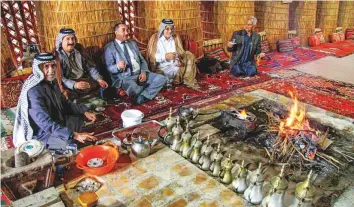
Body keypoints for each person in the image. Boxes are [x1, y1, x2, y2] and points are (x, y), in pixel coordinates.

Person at [13, 53, 98, 150]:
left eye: (53, 66)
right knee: (68, 143)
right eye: (46, 66)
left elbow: (64, 103)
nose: (51, 70)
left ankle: (68, 133)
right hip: (43, 132)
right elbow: (44, 122)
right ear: (39, 68)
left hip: (57, 121)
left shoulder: (52, 82)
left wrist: (84, 111)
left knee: (80, 117)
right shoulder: (34, 91)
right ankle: (66, 137)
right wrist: (75, 135)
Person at [104, 23, 167, 104]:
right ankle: (146, 93)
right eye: (123, 30)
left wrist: (143, 72)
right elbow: (109, 68)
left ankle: (143, 96)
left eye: (127, 30)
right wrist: (117, 66)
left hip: (140, 74)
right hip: (125, 78)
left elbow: (142, 60)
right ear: (116, 32)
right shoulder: (109, 47)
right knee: (134, 89)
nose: (127, 33)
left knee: (162, 78)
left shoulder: (132, 43)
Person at [55, 28, 108, 100]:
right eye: (67, 39)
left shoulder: (79, 50)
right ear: (61, 41)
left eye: (73, 38)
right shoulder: (57, 56)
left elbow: (90, 67)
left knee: (98, 85)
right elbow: (60, 78)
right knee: (68, 95)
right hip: (70, 83)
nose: (71, 41)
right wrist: (75, 85)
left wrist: (99, 79)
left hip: (84, 79)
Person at [147, 19, 197, 87]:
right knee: (158, 79)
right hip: (163, 69)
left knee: (189, 55)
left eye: (172, 29)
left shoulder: (175, 38)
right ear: (162, 29)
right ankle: (169, 81)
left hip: (175, 66)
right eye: (167, 29)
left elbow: (180, 52)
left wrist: (178, 60)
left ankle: (185, 81)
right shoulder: (156, 39)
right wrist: (165, 56)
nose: (170, 31)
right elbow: (152, 57)